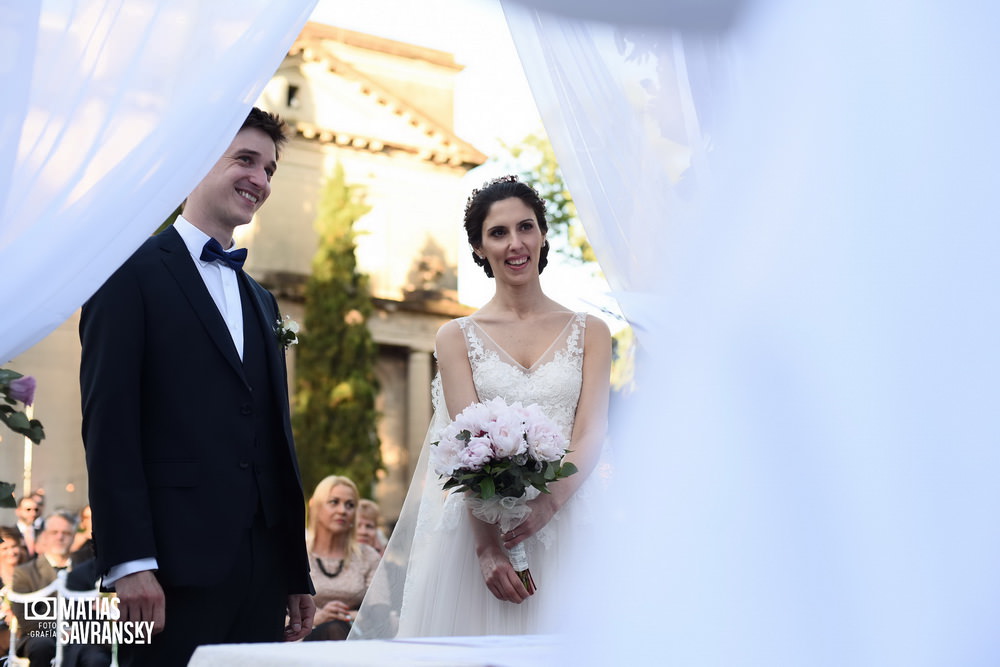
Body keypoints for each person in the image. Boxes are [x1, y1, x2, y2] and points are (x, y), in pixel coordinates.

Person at [79, 107, 315, 666]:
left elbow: (275, 443)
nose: (260, 179)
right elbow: (108, 426)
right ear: (195, 162)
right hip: (169, 574)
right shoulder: (125, 272)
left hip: (261, 577)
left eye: (270, 170)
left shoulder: (263, 301)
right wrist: (130, 563)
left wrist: (293, 568)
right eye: (245, 159)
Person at [352, 175, 611, 638]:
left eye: (526, 227)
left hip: (572, 523)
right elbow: (465, 446)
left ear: (543, 234)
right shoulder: (456, 337)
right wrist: (487, 549)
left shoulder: (590, 331)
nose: (516, 243)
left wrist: (549, 506)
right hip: (481, 533)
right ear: (478, 248)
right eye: (499, 232)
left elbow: (591, 431)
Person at [305, 476, 380, 641]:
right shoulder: (297, 553)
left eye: (350, 505)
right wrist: (319, 618)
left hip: (354, 635)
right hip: (303, 639)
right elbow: (276, 613)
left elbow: (381, 613)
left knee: (337, 629)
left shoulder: (368, 556)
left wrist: (345, 615)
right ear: (316, 506)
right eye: (334, 502)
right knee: (333, 630)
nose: (342, 510)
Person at [10, 513, 76, 666]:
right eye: (54, 532)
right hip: (39, 636)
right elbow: (25, 616)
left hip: (80, 635)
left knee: (95, 654)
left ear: (73, 537)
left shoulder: (87, 570)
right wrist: (61, 629)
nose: (60, 537)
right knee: (42, 645)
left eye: (66, 533)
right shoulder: (24, 572)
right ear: (45, 536)